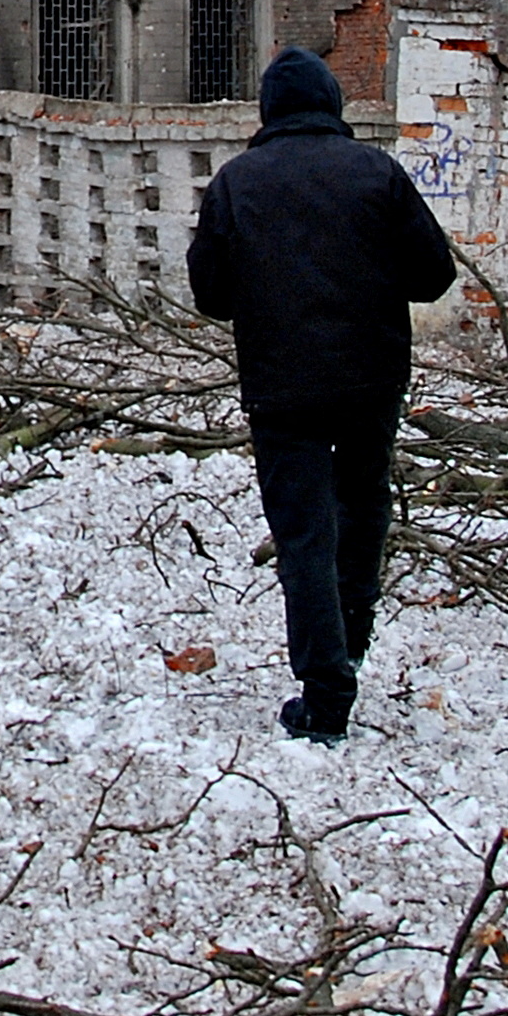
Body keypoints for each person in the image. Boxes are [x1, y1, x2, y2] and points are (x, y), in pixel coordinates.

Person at [185, 47, 460, 744]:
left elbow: (212, 295)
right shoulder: (377, 174)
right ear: (333, 102)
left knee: (303, 531)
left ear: (269, 110)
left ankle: (324, 686)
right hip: (371, 379)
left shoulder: (236, 183)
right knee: (362, 510)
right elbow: (432, 276)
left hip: (281, 388)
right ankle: (353, 640)